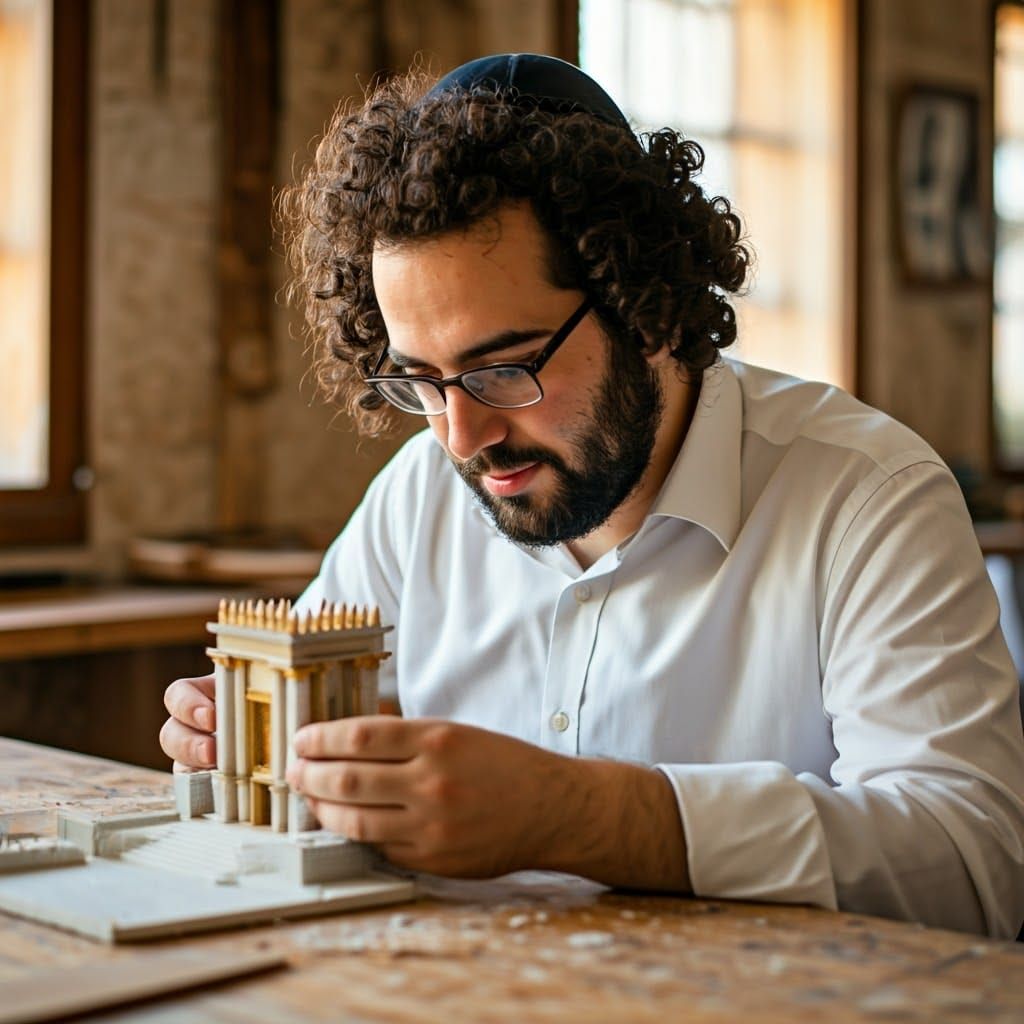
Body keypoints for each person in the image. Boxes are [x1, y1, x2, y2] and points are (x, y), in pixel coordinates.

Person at [160, 54, 1024, 938]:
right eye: (419, 380)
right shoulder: (417, 496)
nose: (461, 438)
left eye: (504, 368)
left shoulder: (867, 499)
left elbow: (972, 865)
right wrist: (245, 732)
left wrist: (585, 816)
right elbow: (313, 739)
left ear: (645, 309)